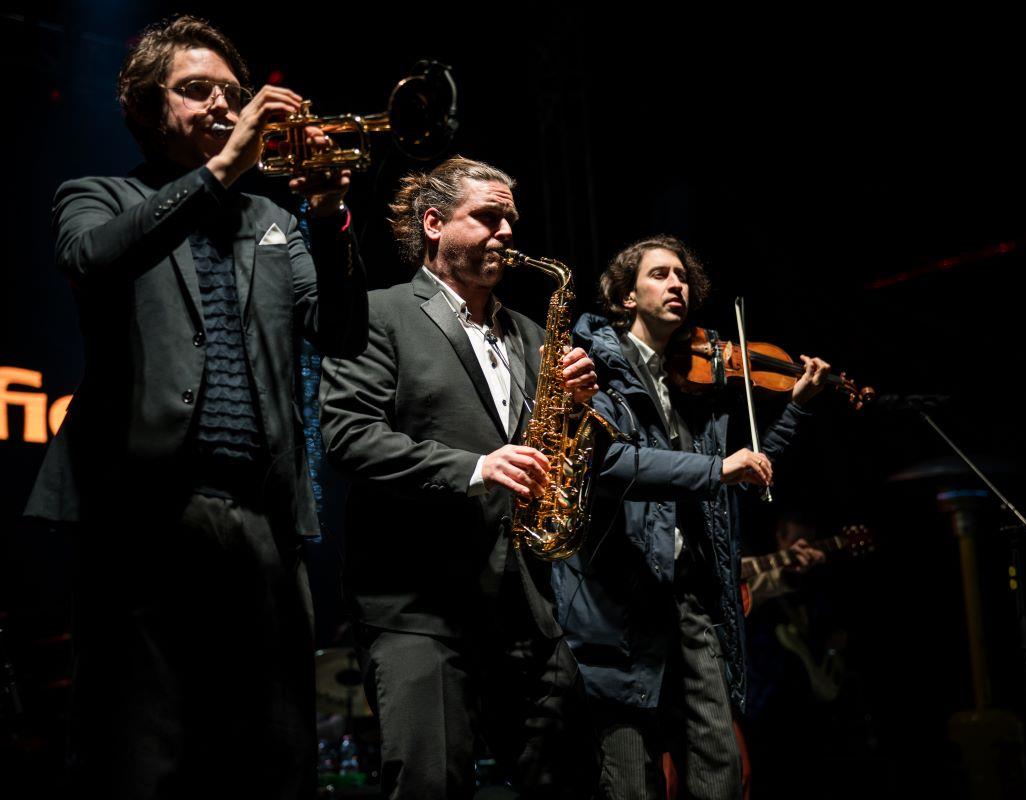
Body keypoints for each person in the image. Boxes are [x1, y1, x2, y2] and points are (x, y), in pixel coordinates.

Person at [22, 14, 368, 798]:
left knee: (273, 760)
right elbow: (92, 260)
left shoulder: (272, 222)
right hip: (142, 512)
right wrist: (222, 170)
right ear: (149, 109)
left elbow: (342, 332)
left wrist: (326, 219)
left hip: (262, 521)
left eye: (232, 93)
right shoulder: (96, 196)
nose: (223, 105)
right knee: (142, 756)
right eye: (197, 90)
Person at [319, 156, 600, 799]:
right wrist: (476, 467)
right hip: (419, 610)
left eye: (511, 219)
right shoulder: (378, 313)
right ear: (433, 223)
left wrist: (577, 408)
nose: (507, 232)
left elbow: (553, 449)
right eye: (488, 217)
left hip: (524, 608)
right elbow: (349, 437)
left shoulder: (533, 334)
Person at [553, 235, 829, 799]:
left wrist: (796, 408)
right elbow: (610, 464)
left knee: (720, 769)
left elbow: (743, 472)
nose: (676, 283)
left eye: (681, 275)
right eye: (659, 274)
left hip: (689, 593)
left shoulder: (697, 385)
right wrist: (717, 469)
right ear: (626, 296)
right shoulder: (593, 368)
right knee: (632, 779)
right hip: (622, 596)